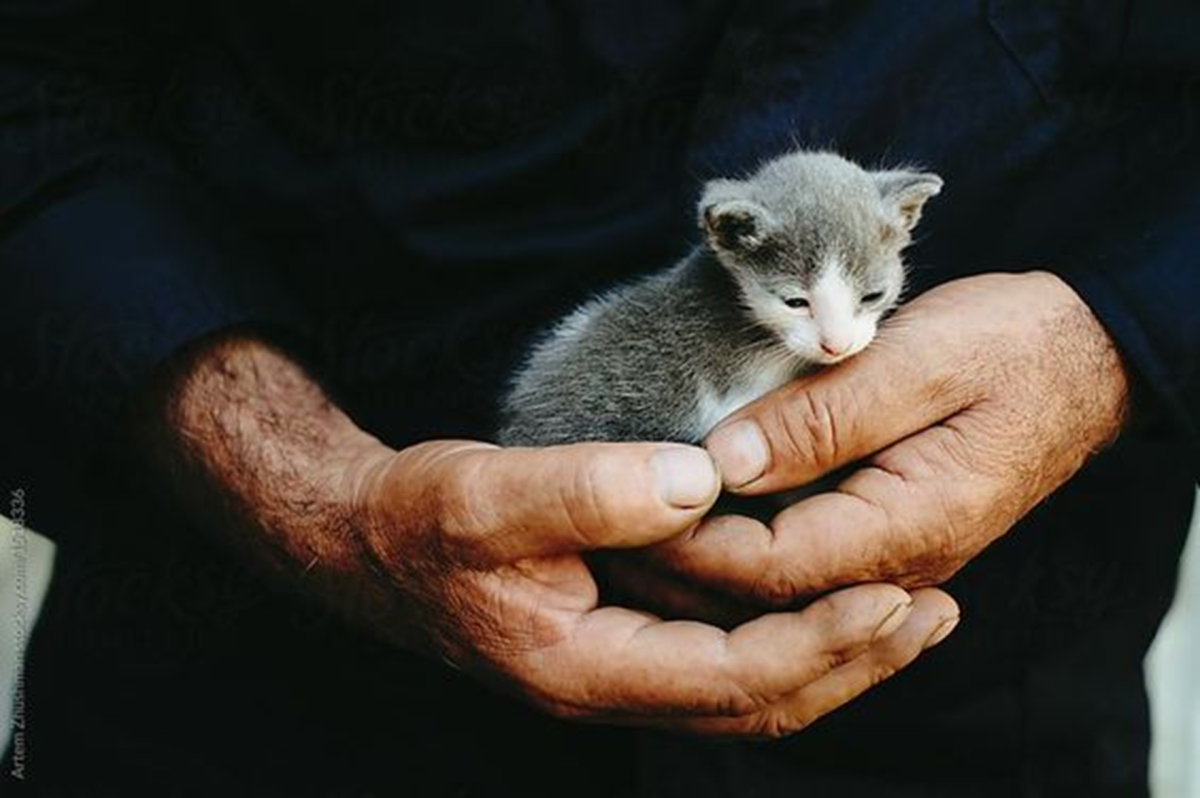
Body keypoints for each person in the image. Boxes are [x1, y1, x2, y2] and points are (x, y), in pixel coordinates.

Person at [1, 2, 1196, 795]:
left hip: (974, 718)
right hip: (258, 679)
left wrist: (1121, 338)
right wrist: (307, 487)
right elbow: (32, 77)